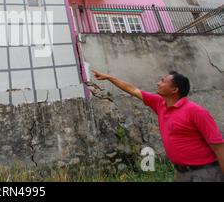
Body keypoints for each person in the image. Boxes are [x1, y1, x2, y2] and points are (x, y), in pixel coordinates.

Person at [92, 69, 224, 182]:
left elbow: (219, 147)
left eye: (162, 81)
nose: (158, 83)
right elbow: (132, 89)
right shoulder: (160, 104)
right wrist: (109, 78)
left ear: (174, 89)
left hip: (205, 173)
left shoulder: (195, 111)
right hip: (181, 173)